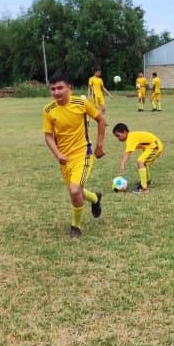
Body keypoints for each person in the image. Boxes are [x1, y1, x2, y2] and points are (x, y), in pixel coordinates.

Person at [43, 73, 107, 238]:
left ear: (69, 88)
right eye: (53, 89)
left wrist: (99, 146)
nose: (56, 92)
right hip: (64, 158)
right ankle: (94, 198)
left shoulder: (81, 103)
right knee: (76, 191)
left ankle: (75, 227)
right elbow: (48, 135)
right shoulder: (49, 110)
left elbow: (101, 120)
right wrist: (58, 154)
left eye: (60, 88)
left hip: (83, 154)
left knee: (74, 189)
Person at [112, 123, 163, 193]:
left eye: (118, 136)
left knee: (140, 162)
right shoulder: (131, 137)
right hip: (151, 146)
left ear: (125, 132)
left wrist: (122, 164)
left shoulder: (130, 137)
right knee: (142, 163)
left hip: (155, 147)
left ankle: (144, 189)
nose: (118, 138)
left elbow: (128, 153)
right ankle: (146, 181)